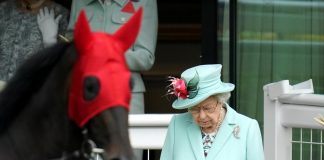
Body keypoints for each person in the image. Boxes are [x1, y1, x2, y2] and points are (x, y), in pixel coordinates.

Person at [66, 0, 158, 159]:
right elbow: (71, 42)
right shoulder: (80, 2)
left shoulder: (144, 2)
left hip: (125, 97)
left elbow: (146, 58)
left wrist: (104, 54)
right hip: (86, 94)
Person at [160, 64, 265, 160]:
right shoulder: (177, 125)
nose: (201, 116)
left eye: (207, 108)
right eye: (194, 109)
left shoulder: (248, 128)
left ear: (221, 101)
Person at [0, 0, 69, 82]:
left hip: (31, 91)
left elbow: (63, 73)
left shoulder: (60, 14)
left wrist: (50, 42)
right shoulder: (4, 8)